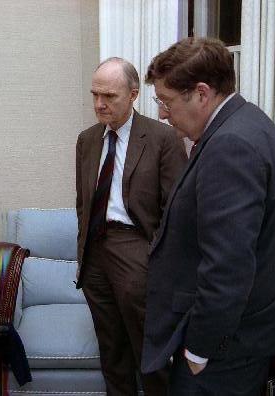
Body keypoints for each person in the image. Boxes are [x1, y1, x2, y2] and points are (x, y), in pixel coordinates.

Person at [142, 37, 275, 394]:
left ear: (202, 93)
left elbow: (228, 265)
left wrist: (199, 349)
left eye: (166, 101)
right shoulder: (248, 123)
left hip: (226, 347)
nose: (162, 113)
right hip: (240, 336)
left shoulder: (231, 146)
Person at [75, 57, 187, 395]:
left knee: (147, 347)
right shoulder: (87, 140)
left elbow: (176, 210)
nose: (99, 104)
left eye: (109, 96)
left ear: (134, 94)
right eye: (95, 94)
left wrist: (157, 259)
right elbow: (83, 201)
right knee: (111, 350)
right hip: (95, 251)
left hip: (137, 248)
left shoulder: (162, 138)